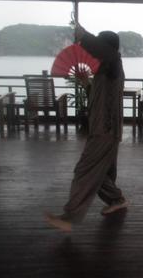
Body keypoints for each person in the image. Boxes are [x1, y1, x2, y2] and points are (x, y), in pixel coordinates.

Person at [45, 25, 128, 232]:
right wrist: (86, 83)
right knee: (101, 173)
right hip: (105, 129)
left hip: (105, 131)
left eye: (98, 46)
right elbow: (102, 97)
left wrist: (85, 36)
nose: (93, 51)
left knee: (84, 170)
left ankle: (70, 215)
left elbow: (109, 55)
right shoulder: (105, 71)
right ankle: (116, 200)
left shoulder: (114, 63)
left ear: (106, 48)